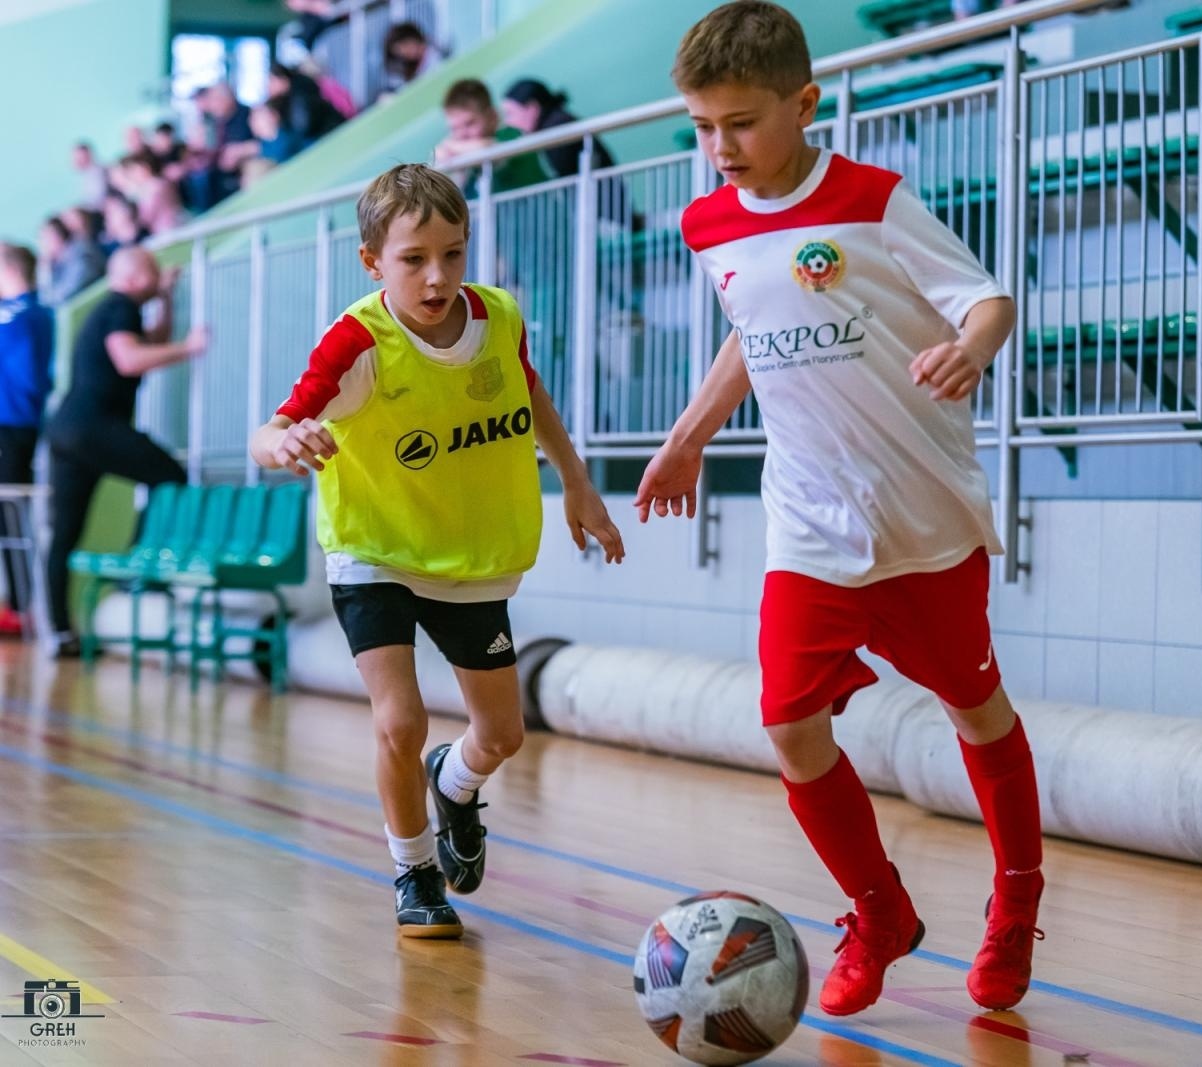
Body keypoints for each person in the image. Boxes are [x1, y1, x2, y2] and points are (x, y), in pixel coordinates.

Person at [637, 0, 1044, 1018]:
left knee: (975, 711)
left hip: (923, 518)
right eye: (699, 126)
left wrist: (974, 346)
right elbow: (751, 323)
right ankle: (878, 909)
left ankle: (1016, 901)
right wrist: (688, 432)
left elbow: (986, 296)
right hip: (809, 523)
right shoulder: (707, 222)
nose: (717, 147)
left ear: (803, 104)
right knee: (788, 722)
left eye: (738, 122)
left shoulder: (873, 199)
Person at [248, 163, 624, 938]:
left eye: (453, 253)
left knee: (503, 734)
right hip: (374, 549)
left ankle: (454, 785)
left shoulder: (497, 317)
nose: (438, 275)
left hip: (471, 556)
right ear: (373, 262)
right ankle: (415, 871)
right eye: (414, 258)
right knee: (400, 717)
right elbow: (268, 431)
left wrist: (578, 482)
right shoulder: (358, 341)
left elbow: (532, 394)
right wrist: (288, 442)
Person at [45, 248, 208, 658]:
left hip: (66, 430)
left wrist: (166, 299)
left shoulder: (114, 310)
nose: (157, 279)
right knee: (170, 475)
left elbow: (152, 341)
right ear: (135, 278)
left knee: (65, 533)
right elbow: (130, 358)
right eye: (152, 273)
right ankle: (138, 569)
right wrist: (190, 349)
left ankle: (61, 632)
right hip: (92, 426)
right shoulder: (120, 306)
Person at [0, 244, 54, 636]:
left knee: (12, 515)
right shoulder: (24, 315)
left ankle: (22, 605)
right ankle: (17, 603)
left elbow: (32, 380)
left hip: (12, 427)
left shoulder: (24, 316)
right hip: (15, 425)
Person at [434, 79, 547, 197]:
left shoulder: (512, 136)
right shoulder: (466, 161)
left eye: (470, 124)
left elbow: (486, 149)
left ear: (492, 116)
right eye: (455, 128)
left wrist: (449, 147)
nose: (462, 134)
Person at [501, 79, 615, 179]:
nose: (508, 122)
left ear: (532, 108)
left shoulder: (557, 128)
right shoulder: (556, 122)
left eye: (510, 114)